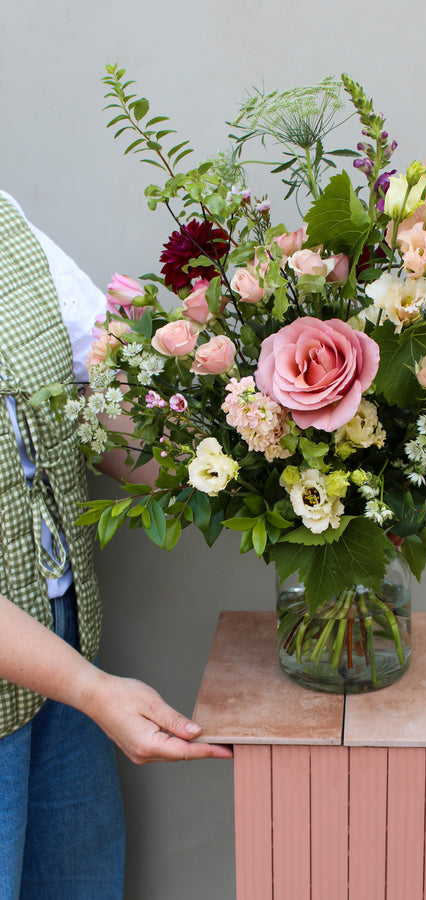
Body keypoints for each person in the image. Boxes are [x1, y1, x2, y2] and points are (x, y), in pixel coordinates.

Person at [0, 191, 231, 900]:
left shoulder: (7, 226)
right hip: (66, 679)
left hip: (62, 654)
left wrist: (238, 470)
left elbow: (95, 396)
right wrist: (90, 691)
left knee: (77, 879)